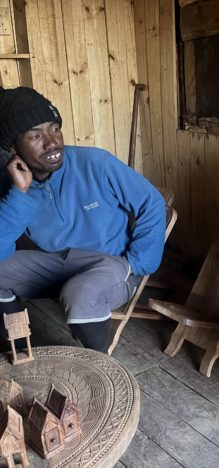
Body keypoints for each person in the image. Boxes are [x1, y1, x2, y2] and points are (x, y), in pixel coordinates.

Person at [0, 86, 166, 352]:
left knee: (82, 293)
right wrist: (19, 194)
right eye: (35, 135)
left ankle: (98, 368)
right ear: (12, 148)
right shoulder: (12, 183)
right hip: (55, 261)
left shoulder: (95, 163)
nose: (52, 141)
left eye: (55, 128)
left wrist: (138, 263)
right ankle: (20, 353)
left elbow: (152, 202)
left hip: (110, 263)